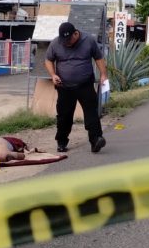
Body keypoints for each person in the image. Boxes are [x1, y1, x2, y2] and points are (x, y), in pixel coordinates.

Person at [45, 22, 108, 153]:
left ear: (76, 33)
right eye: (64, 40)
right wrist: (53, 75)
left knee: (91, 112)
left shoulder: (88, 40)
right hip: (64, 86)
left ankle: (96, 139)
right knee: (64, 116)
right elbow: (48, 60)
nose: (66, 43)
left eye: (69, 40)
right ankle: (61, 141)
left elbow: (98, 57)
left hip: (85, 84)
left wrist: (103, 74)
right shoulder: (56, 43)